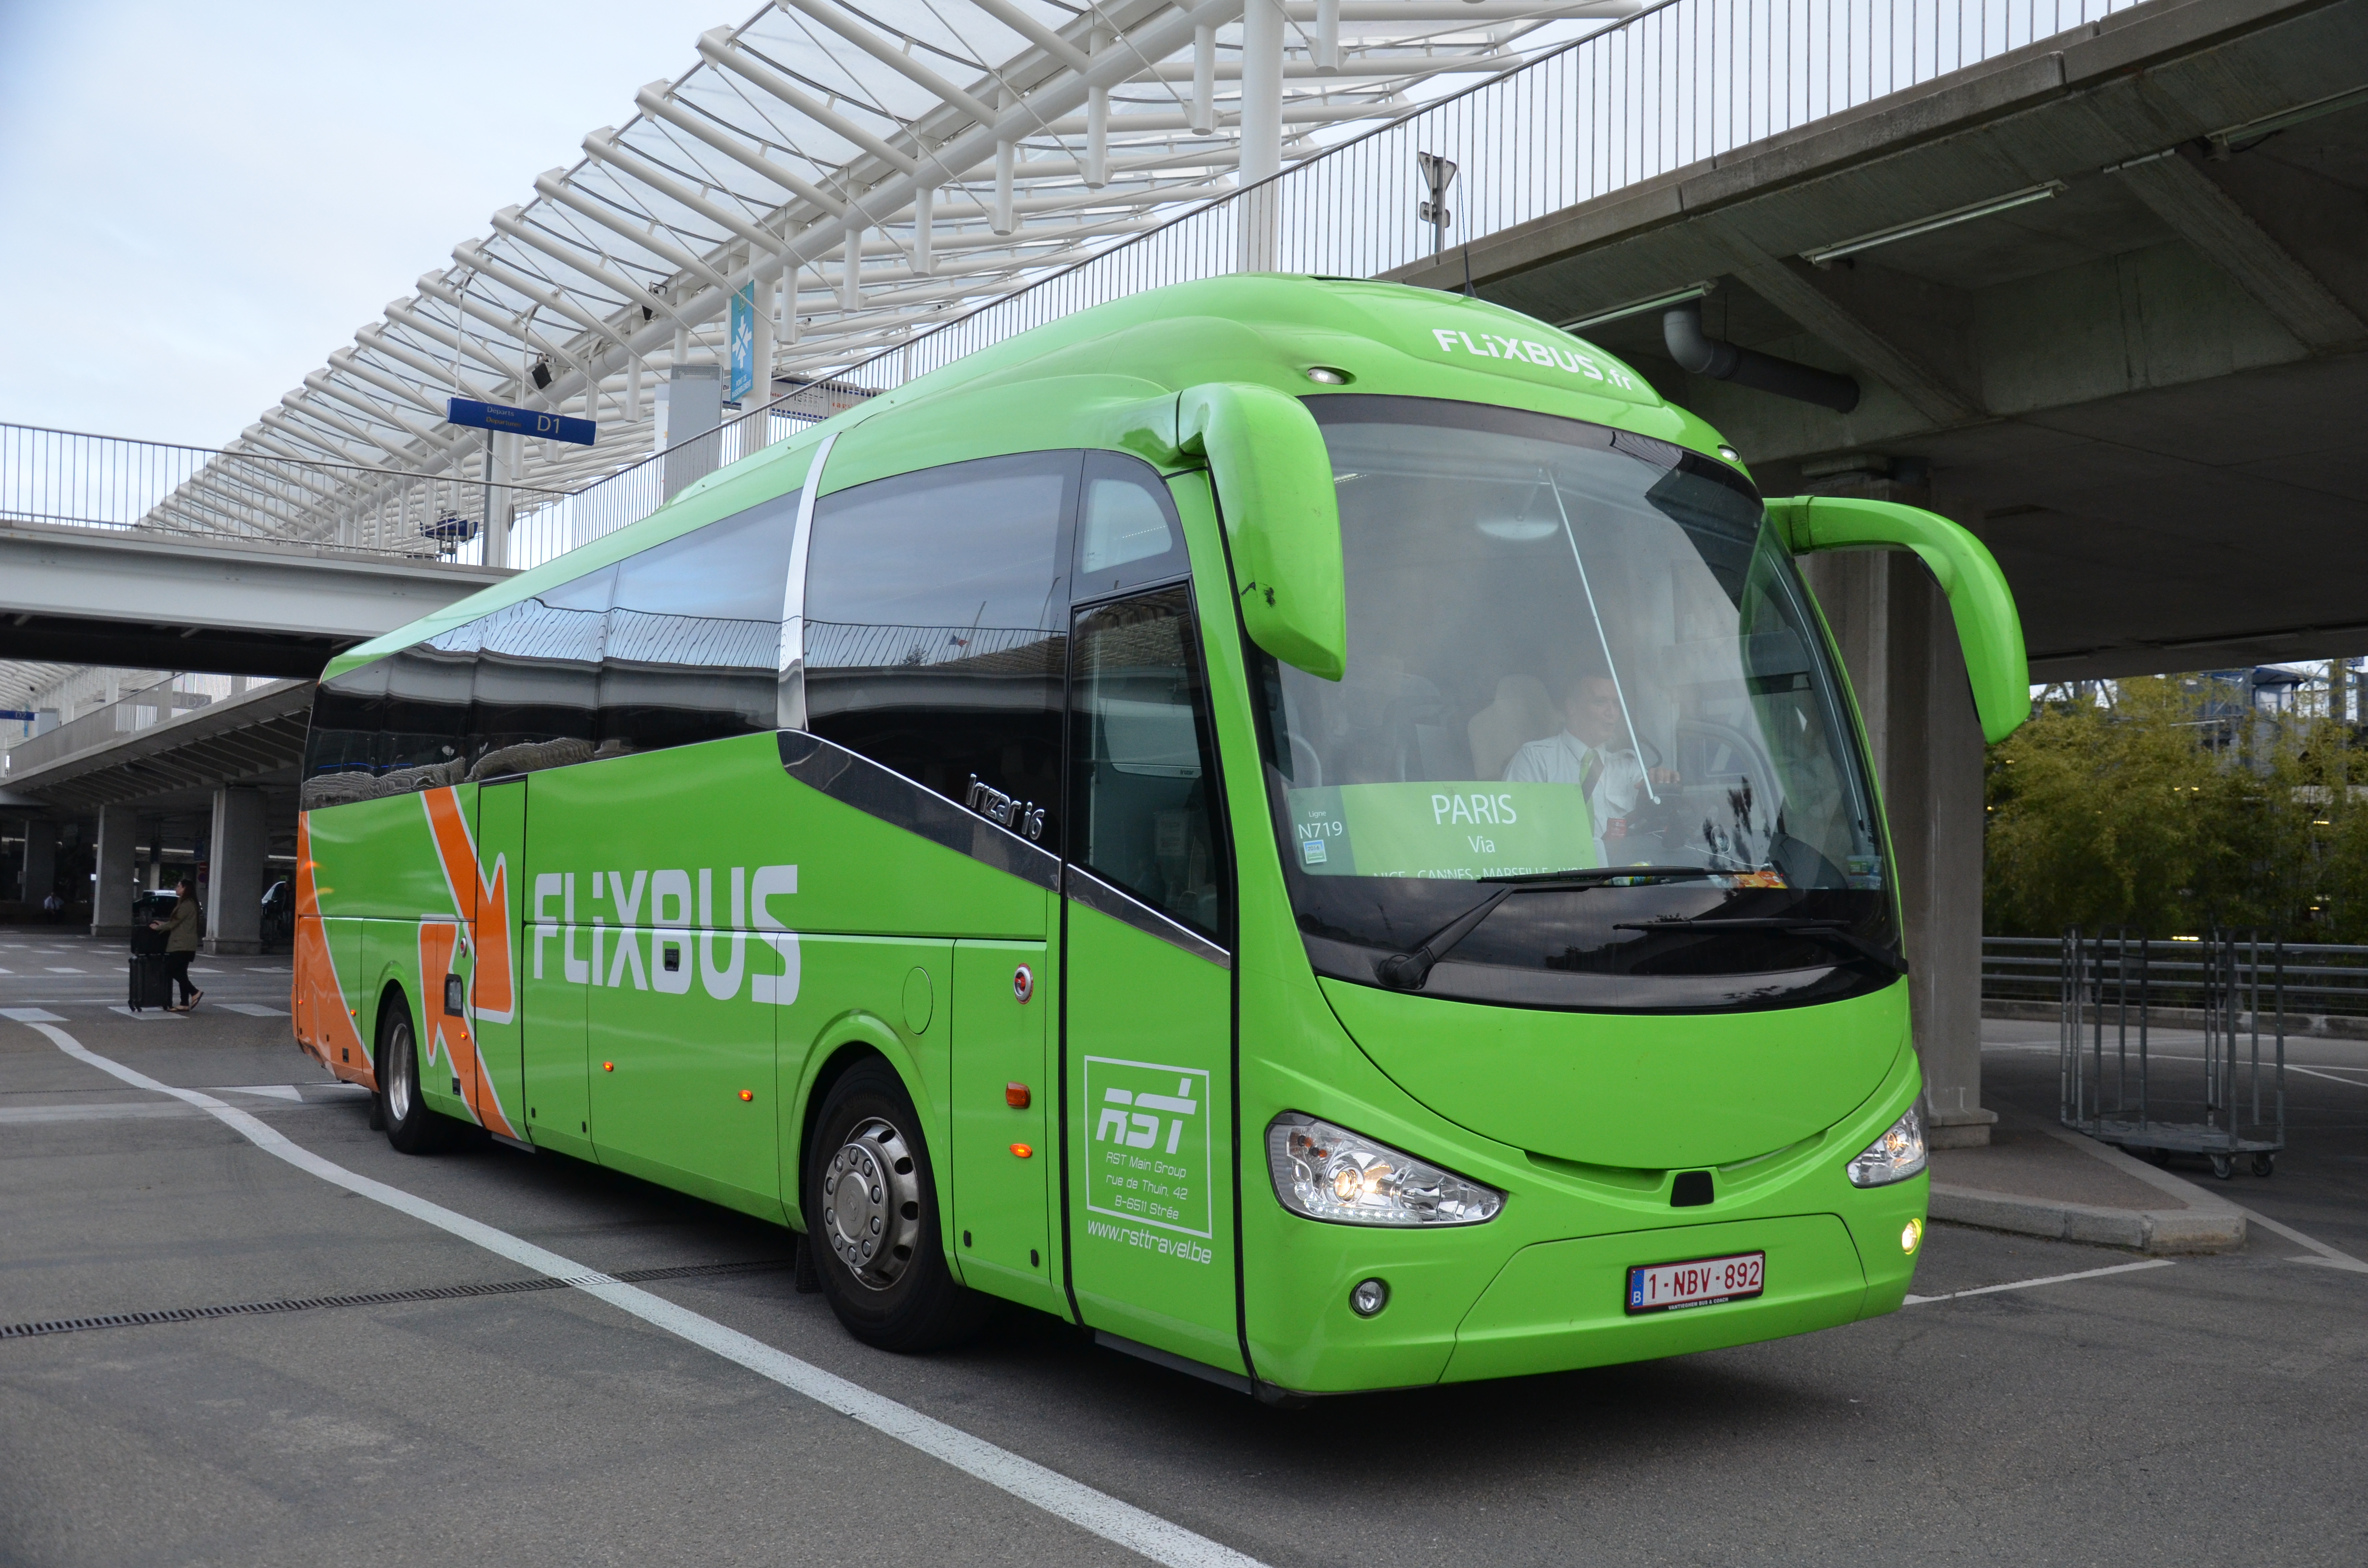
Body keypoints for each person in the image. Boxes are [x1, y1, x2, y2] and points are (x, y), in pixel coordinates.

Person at [1503, 674, 1680, 863]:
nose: (1612, 713)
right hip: (1556, 877)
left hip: (1622, 877)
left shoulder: (1628, 766)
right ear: (1572, 707)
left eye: (1616, 704)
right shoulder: (1535, 759)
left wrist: (1661, 785)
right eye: (1600, 702)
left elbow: (1653, 828)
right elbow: (1514, 835)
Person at [149, 878, 203, 1012]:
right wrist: (163, 924)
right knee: (182, 973)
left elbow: (174, 923)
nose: (176, 889)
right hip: (186, 944)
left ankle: (195, 992)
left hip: (181, 944)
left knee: (170, 969)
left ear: (185, 888)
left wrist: (157, 928)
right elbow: (178, 923)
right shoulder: (190, 903)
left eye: (178, 886)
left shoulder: (187, 904)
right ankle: (184, 1003)